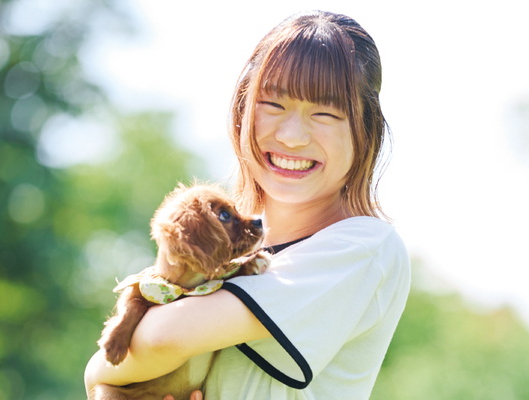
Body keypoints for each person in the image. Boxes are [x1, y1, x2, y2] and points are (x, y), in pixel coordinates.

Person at [84, 10, 410, 400]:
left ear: (366, 131)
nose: (291, 136)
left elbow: (157, 341)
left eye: (325, 113)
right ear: (243, 110)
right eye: (273, 104)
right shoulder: (226, 249)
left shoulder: (362, 246)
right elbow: (100, 373)